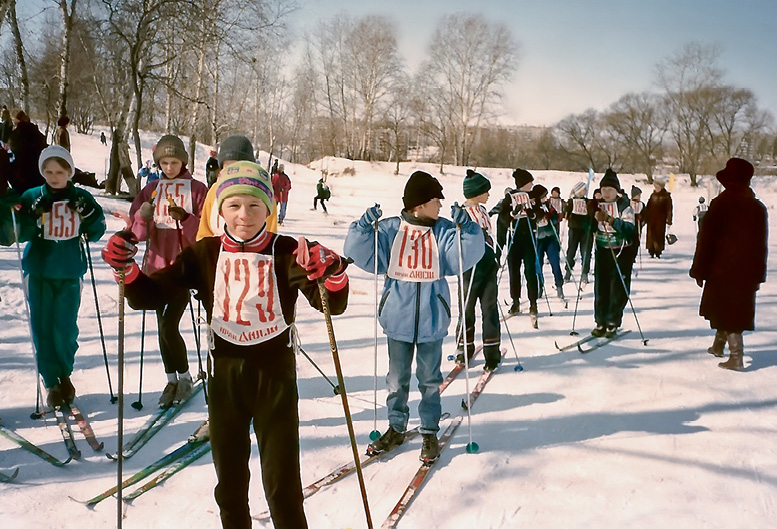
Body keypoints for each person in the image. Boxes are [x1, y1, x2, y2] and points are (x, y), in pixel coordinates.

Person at [102, 161, 349, 529]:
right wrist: (127, 270)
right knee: (230, 487)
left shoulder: (287, 250)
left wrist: (332, 273)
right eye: (233, 205)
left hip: (275, 378)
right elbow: (148, 296)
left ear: (269, 207)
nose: (244, 215)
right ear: (220, 210)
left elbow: (332, 302)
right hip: (225, 379)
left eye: (254, 205)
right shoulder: (204, 253)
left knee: (283, 487)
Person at [344, 170, 484, 463]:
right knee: (396, 380)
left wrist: (468, 229)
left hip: (432, 320)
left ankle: (430, 431)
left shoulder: (444, 230)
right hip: (397, 320)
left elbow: (464, 256)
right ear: (419, 204)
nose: (441, 206)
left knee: (429, 380)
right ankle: (396, 427)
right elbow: (360, 253)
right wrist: (362, 229)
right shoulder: (392, 230)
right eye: (436, 201)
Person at [12, 146, 106, 407]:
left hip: (69, 270)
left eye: (60, 171)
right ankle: (51, 381)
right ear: (42, 172)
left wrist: (89, 214)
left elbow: (96, 230)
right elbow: (19, 233)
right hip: (39, 271)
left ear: (69, 172)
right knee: (42, 327)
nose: (54, 177)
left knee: (64, 328)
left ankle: (65, 374)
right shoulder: (33, 195)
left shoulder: (81, 196)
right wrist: (31, 213)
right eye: (48, 171)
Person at [128, 134, 208, 407]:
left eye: (174, 161)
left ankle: (183, 378)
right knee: (162, 326)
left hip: (183, 268)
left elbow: (207, 231)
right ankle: (171, 379)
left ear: (183, 161)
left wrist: (185, 218)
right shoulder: (151, 189)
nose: (169, 168)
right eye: (164, 162)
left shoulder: (196, 189)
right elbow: (136, 233)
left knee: (168, 324)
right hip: (155, 267)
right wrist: (143, 216)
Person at [689, 158, 767, 371]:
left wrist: (699, 270)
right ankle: (718, 346)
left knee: (728, 312)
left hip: (722, 269)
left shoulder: (721, 204)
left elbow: (706, 240)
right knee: (730, 309)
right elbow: (762, 245)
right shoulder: (757, 208)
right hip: (747, 272)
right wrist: (758, 274)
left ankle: (736, 357)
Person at [456, 169, 501, 370]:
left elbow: (491, 236)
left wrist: (495, 254)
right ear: (476, 192)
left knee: (490, 309)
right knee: (467, 309)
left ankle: (492, 352)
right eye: (486, 191)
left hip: (488, 266)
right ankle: (463, 349)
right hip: (469, 268)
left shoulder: (483, 211)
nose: (489, 195)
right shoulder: (462, 213)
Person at [197, 134, 278, 240]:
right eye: (229, 169)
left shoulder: (262, 192)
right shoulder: (214, 191)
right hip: (217, 253)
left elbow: (269, 236)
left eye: (240, 167)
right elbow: (204, 231)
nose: (235, 175)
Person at [590, 169, 635, 337]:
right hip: (602, 250)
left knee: (617, 288)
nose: (606, 193)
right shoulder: (597, 204)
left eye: (610, 190)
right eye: (603, 190)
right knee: (601, 287)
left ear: (617, 191)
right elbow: (589, 226)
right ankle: (600, 321)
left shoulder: (624, 206)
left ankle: (612, 321)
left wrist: (610, 219)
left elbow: (629, 229)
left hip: (620, 251)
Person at [499, 168, 539, 323]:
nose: (532, 184)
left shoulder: (533, 196)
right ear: (524, 183)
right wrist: (512, 214)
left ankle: (533, 303)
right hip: (514, 238)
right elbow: (503, 217)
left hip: (529, 237)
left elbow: (539, 214)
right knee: (514, 271)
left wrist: (531, 213)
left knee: (530, 271)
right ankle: (515, 301)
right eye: (530, 182)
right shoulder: (510, 197)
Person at [532, 184, 565, 300]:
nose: (546, 198)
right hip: (538, 239)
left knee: (555, 263)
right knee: (538, 265)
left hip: (550, 238)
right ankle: (539, 286)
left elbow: (557, 218)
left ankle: (559, 286)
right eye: (543, 196)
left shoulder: (549, 205)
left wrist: (551, 216)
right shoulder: (532, 207)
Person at [7, 110, 48, 193]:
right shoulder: (35, 132)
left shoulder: (15, 135)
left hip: (21, 175)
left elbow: (12, 153)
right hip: (38, 173)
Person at [564, 181, 593, 284]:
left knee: (586, 252)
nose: (585, 191)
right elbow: (566, 213)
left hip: (586, 230)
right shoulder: (571, 201)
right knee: (571, 251)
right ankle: (568, 271)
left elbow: (592, 212)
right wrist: (566, 209)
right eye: (583, 189)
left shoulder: (588, 201)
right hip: (574, 229)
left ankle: (585, 273)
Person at [642, 177, 673, 258]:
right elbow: (648, 207)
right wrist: (644, 217)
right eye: (655, 186)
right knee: (651, 235)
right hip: (651, 219)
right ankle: (651, 250)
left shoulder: (666, 196)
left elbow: (669, 209)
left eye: (657, 187)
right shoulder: (653, 195)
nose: (656, 188)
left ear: (661, 187)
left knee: (659, 235)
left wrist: (669, 220)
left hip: (661, 220)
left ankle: (658, 251)